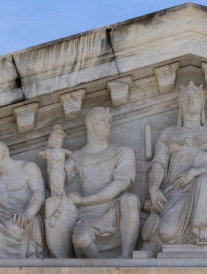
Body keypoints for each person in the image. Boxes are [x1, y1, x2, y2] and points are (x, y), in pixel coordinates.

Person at [142, 82, 207, 254]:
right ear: (179, 102)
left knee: (206, 180)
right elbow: (159, 164)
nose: (190, 100)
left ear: (203, 102)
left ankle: (203, 230)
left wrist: (195, 172)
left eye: (196, 97)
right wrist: (154, 188)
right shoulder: (168, 134)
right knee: (167, 232)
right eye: (186, 97)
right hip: (176, 193)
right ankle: (160, 230)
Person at [45, 108, 140, 258]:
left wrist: (84, 201)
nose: (108, 124)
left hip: (116, 209)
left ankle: (126, 258)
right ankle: (100, 272)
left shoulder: (123, 151)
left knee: (130, 200)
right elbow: (57, 184)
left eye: (109, 121)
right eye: (102, 121)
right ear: (90, 125)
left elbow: (120, 185)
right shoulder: (78, 156)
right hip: (88, 215)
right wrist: (54, 150)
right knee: (81, 241)